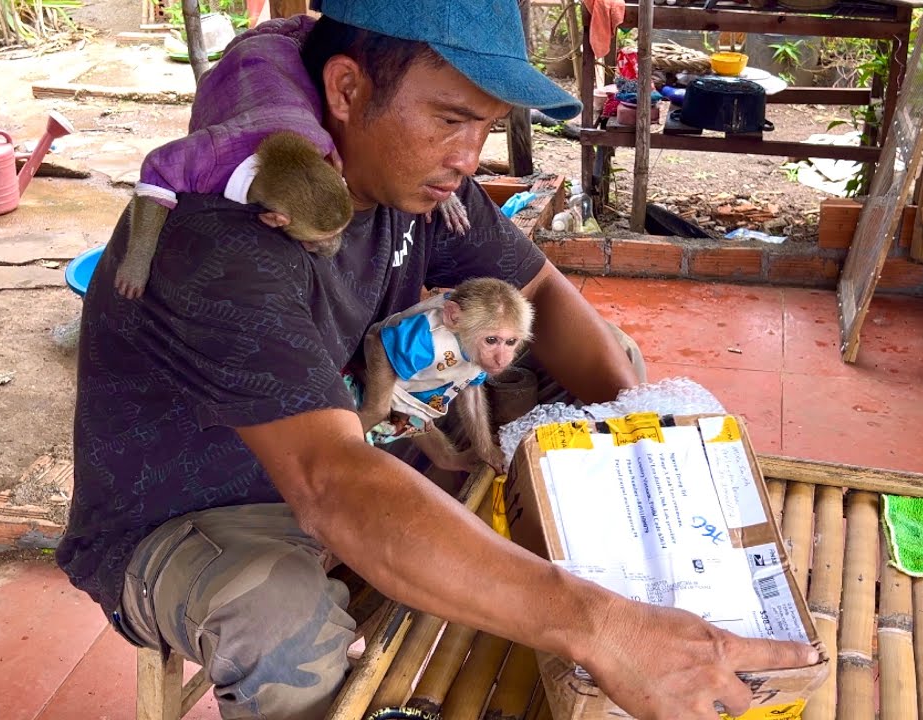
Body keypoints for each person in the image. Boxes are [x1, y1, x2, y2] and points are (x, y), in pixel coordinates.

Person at [56, 2, 819, 720]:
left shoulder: (407, 177)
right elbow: (332, 484)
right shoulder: (225, 236)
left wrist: (646, 444)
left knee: (584, 362)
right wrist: (597, 626)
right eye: (452, 120)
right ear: (347, 89)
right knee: (281, 622)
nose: (467, 158)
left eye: (484, 127)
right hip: (202, 510)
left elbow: (542, 296)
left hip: (351, 436)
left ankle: (579, 549)